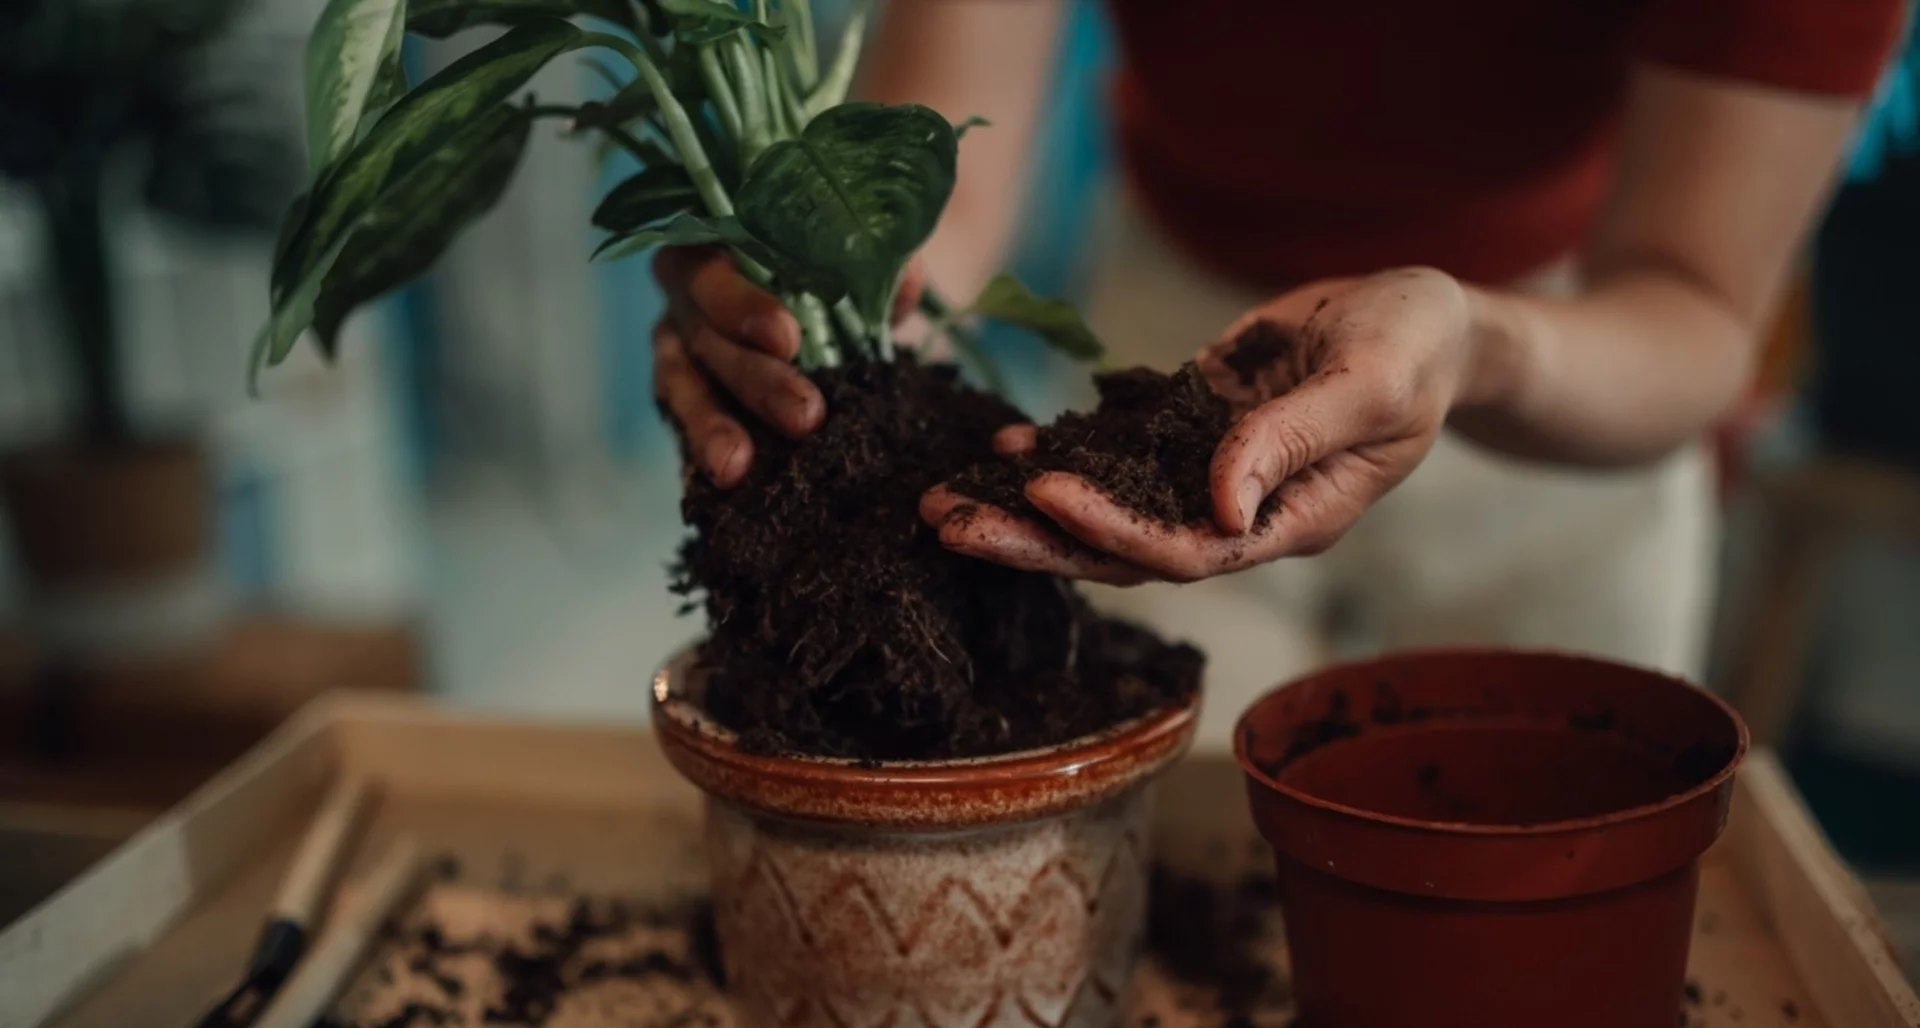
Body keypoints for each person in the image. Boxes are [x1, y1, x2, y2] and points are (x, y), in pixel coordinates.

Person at [651, 0, 1911, 748]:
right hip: (1184, 345)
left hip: (1561, 360)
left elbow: (1695, 306)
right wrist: (830, 299)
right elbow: (945, 183)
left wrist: (1475, 343)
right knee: (1177, 887)